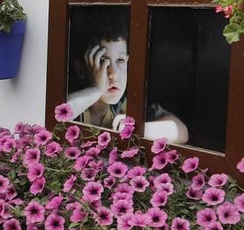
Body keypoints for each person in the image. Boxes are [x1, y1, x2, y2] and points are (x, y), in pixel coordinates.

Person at [66, 11, 189, 144]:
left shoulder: (123, 105)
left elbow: (181, 131)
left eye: (120, 60)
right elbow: (55, 116)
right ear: (81, 69)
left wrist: (134, 129)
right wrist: (96, 89)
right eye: (102, 61)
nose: (114, 73)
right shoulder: (77, 106)